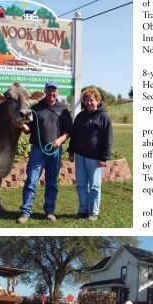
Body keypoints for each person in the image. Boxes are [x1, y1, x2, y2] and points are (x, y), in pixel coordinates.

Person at [18, 82, 72, 224]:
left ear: (58, 92)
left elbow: (69, 131)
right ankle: (25, 212)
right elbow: (28, 129)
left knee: (52, 182)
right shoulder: (36, 108)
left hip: (54, 150)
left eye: (54, 91)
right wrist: (20, 124)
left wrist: (59, 141)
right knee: (31, 181)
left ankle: (49, 211)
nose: (51, 94)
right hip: (37, 150)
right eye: (49, 91)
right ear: (45, 92)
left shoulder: (63, 110)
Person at [68, 87, 113, 222]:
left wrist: (104, 158)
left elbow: (108, 139)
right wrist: (71, 151)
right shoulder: (80, 116)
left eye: (91, 100)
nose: (89, 103)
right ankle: (83, 210)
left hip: (94, 158)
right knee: (81, 184)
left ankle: (93, 212)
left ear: (97, 100)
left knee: (94, 186)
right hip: (80, 156)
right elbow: (74, 135)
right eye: (86, 100)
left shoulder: (104, 117)